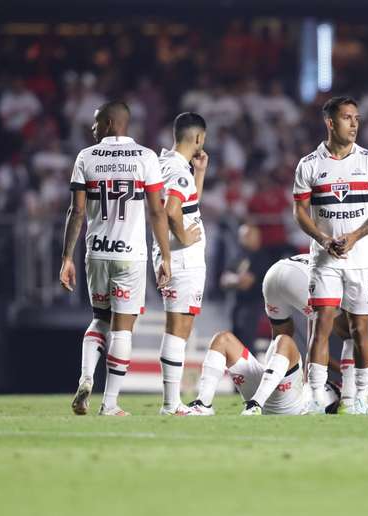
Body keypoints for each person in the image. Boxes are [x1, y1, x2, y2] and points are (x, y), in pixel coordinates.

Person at [60, 101, 171, 416]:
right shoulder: (146, 157)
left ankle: (85, 377)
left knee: (100, 319)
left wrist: (67, 257)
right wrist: (165, 255)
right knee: (123, 328)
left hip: (96, 253)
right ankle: (109, 404)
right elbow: (156, 210)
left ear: (110, 122)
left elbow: (76, 211)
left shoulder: (86, 157)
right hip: (130, 256)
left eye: (95, 123)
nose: (92, 129)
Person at [292, 96, 368, 414]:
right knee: (322, 324)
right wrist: (322, 238)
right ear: (330, 123)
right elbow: (301, 212)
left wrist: (356, 236)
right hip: (324, 260)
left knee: (361, 328)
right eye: (347, 118)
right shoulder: (309, 164)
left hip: (362, 260)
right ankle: (314, 395)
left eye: (357, 118)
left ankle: (360, 395)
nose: (354, 124)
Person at [187, 254, 339, 416]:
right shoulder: (326, 379)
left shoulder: (335, 396)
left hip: (291, 402)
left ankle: (255, 404)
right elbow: (316, 357)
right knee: (222, 339)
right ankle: (203, 404)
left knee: (284, 340)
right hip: (272, 384)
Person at [152, 112, 209, 415]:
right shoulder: (177, 171)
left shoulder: (167, 165)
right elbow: (171, 210)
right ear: (198, 138)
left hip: (171, 256)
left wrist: (199, 173)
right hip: (182, 258)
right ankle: (171, 403)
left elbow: (186, 203)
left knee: (178, 327)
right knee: (178, 328)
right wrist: (184, 238)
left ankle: (171, 401)